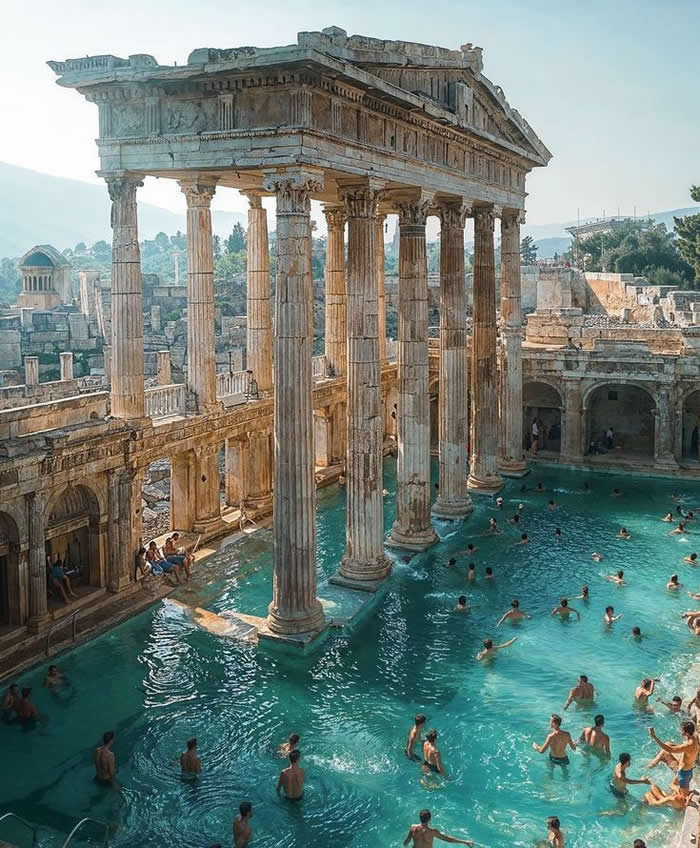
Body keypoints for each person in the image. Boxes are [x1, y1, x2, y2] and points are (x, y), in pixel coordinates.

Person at [648, 722, 699, 801]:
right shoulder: (694, 738)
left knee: (684, 798)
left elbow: (670, 749)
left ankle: (692, 794)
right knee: (672, 785)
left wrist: (654, 737)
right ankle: (684, 792)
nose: (680, 731)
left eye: (682, 730)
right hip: (688, 770)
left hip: (684, 773)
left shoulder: (688, 745)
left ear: (686, 732)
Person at [403, 809, 473, 847]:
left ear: (420, 818)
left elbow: (406, 842)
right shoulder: (433, 831)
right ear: (430, 819)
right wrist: (464, 842)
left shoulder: (413, 828)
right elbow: (448, 839)